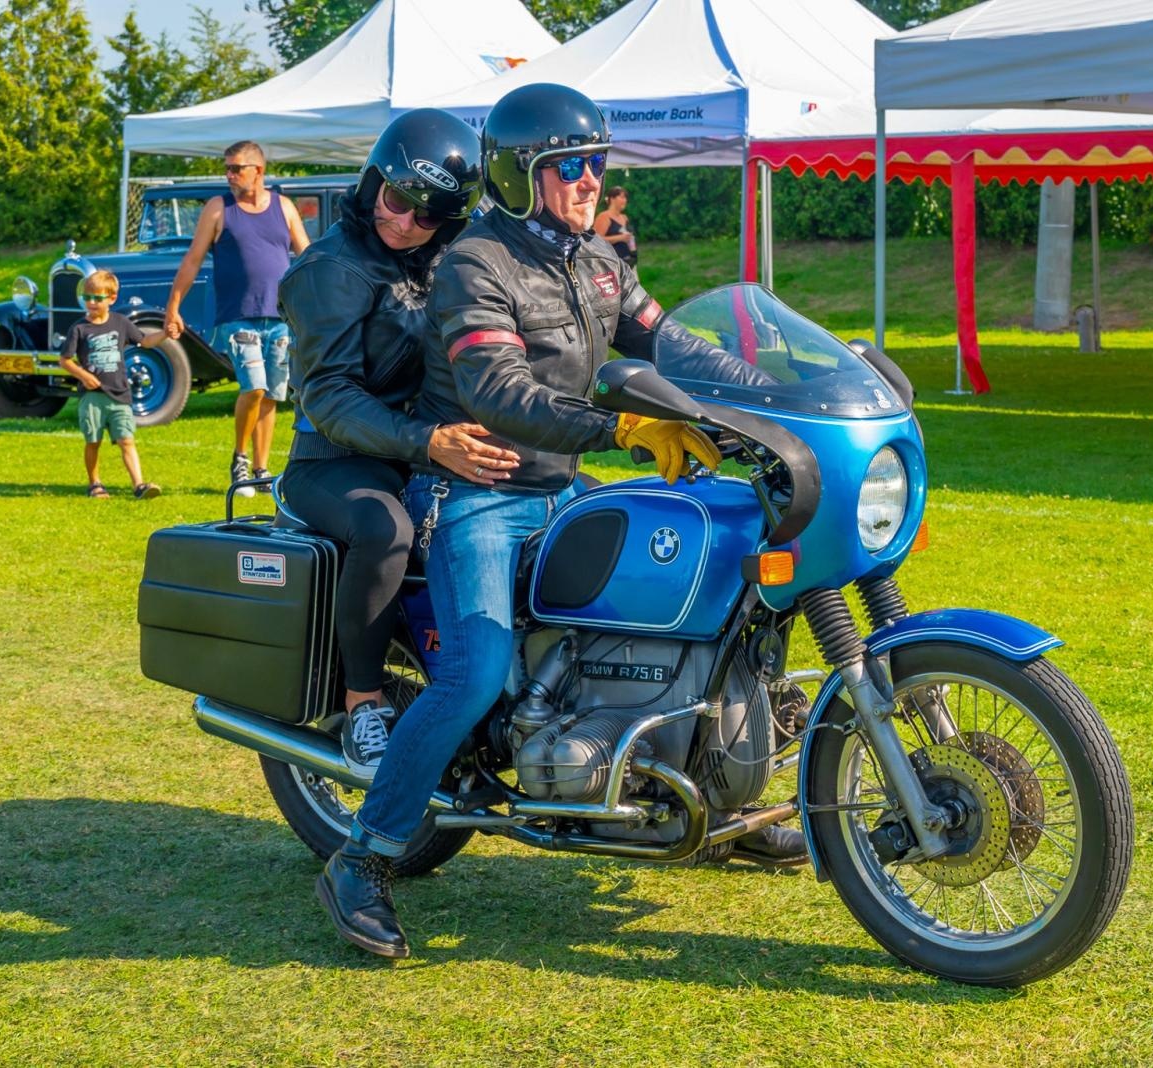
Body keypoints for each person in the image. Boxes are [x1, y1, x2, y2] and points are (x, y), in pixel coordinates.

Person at [315, 83, 803, 961]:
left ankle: (721, 798)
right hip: (476, 495)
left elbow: (667, 340)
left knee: (717, 591)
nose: (588, 181)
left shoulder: (599, 261)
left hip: (563, 488)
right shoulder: (476, 264)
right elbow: (497, 389)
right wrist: (620, 426)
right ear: (517, 175)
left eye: (595, 164)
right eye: (567, 167)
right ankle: (365, 859)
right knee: (472, 675)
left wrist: (775, 393)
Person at [277, 108, 518, 782]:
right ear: (372, 179)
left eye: (429, 216)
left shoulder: (445, 258)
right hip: (336, 461)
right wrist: (427, 441)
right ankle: (362, 706)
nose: (406, 222)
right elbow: (327, 397)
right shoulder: (329, 270)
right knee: (386, 529)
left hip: (431, 450)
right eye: (397, 200)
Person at [162, 140, 311, 496]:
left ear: (257, 170)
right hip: (238, 315)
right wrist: (173, 306)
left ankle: (261, 470)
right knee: (254, 386)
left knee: (273, 392)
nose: (228, 175)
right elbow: (192, 261)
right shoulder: (219, 208)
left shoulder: (284, 206)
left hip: (279, 316)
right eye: (226, 168)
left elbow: (306, 256)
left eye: (235, 168)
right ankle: (240, 458)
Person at [59, 270, 165, 499]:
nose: (92, 303)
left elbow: (145, 341)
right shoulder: (79, 328)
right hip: (93, 397)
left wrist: (166, 333)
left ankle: (139, 485)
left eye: (97, 298)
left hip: (119, 395)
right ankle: (94, 483)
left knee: (127, 440)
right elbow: (64, 360)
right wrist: (83, 375)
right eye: (88, 298)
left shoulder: (120, 323)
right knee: (93, 441)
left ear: (112, 299)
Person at [592, 185, 637, 267]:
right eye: (622, 197)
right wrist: (620, 238)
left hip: (628, 262)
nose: (625, 200)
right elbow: (596, 240)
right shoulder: (604, 217)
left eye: (626, 198)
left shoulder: (624, 217)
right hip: (611, 264)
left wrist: (633, 253)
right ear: (612, 199)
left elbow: (630, 238)